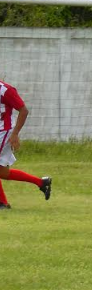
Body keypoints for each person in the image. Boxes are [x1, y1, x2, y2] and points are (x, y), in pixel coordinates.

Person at [0, 79, 52, 209]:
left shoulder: (6, 90)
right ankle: (41, 182)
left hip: (4, 132)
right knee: (3, 173)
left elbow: (24, 110)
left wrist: (15, 134)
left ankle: (2, 203)